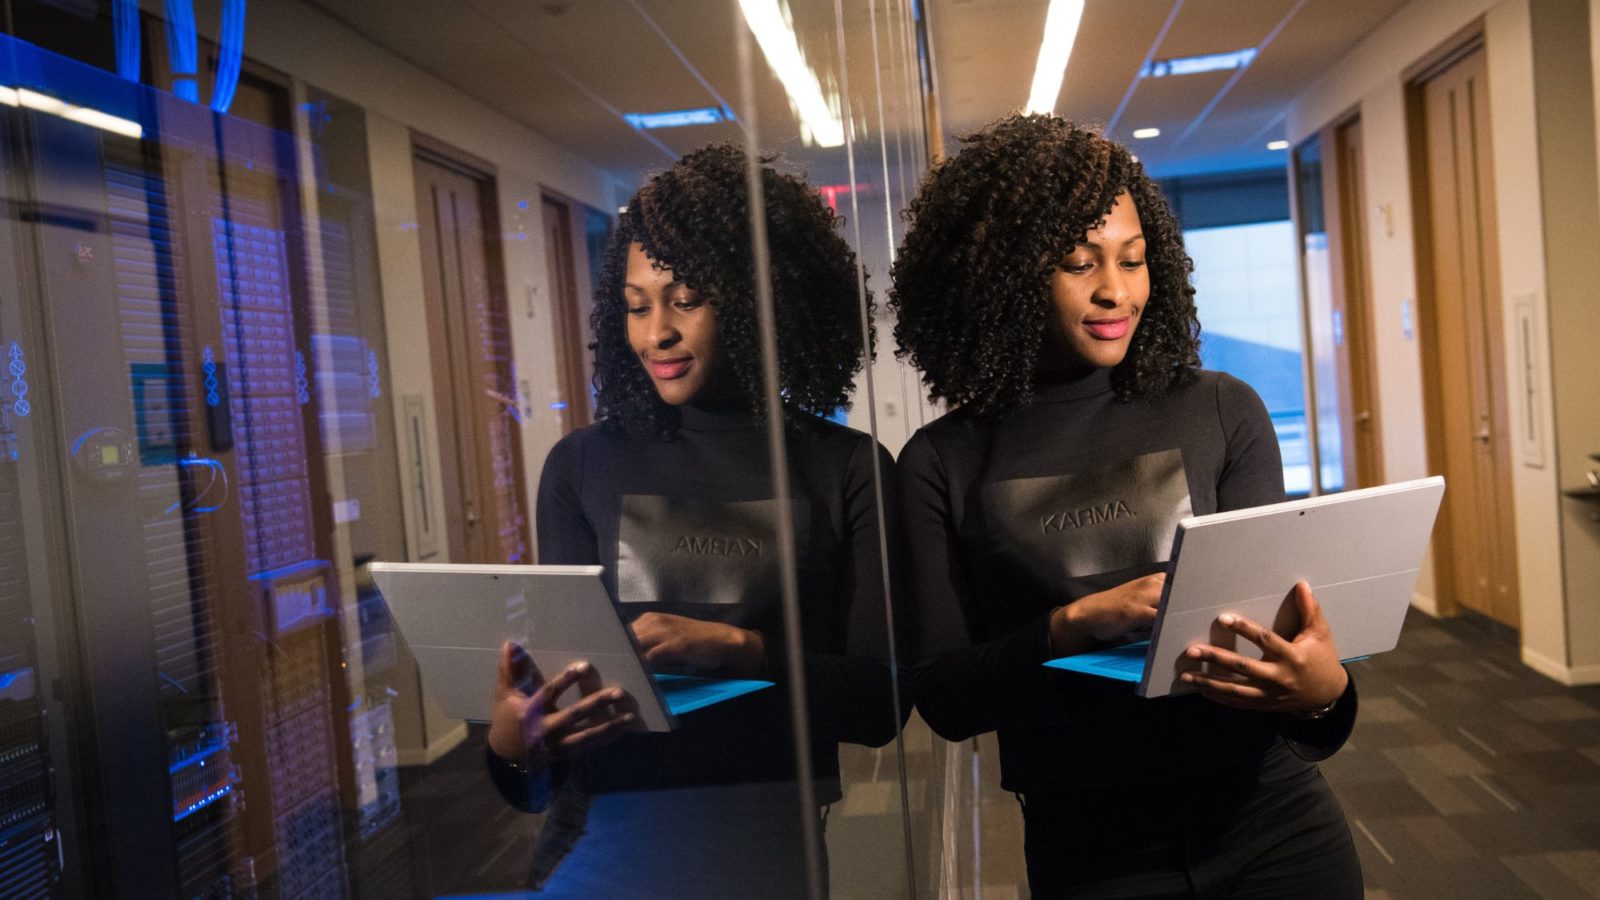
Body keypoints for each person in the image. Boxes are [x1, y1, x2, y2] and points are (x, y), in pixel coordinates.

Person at [890, 114, 1363, 899]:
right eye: (1080, 263)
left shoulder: (1222, 410)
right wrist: (1069, 626)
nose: (1116, 290)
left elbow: (1284, 642)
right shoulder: (943, 461)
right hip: (1093, 854)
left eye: (1134, 259)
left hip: (1274, 827)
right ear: (1003, 277)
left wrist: (1327, 695)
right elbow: (944, 697)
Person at [484, 143, 904, 898]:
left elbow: (878, 705)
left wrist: (737, 648)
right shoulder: (580, 466)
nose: (656, 335)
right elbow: (539, 759)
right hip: (600, 844)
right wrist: (514, 745)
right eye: (638, 306)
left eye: (685, 299)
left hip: (769, 844)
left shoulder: (845, 466)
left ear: (754, 300)